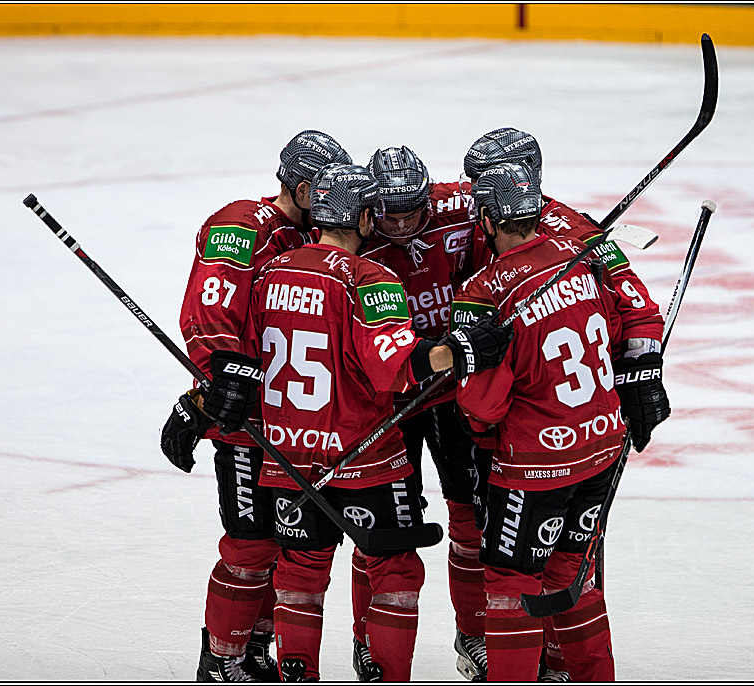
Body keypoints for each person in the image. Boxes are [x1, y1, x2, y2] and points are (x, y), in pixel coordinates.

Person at [197, 162, 514, 681]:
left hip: (286, 455)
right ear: (366, 216)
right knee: (396, 569)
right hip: (364, 454)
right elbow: (398, 365)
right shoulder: (372, 278)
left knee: (299, 571)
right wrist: (462, 349)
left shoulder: (271, 273)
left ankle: (292, 673)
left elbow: (242, 356)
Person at [461, 128, 669, 679]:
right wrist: (640, 379)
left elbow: (483, 403)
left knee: (512, 581)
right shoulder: (585, 248)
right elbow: (633, 310)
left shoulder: (484, 290)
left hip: (534, 459)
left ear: (487, 216)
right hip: (602, 441)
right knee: (573, 574)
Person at [158, 130, 353, 681]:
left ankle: (254, 650)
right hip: (247, 424)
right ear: (302, 184)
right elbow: (212, 310)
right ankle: (220, 660)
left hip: (299, 424)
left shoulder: (323, 236)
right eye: (327, 185)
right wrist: (217, 380)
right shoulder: (243, 226)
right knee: (250, 547)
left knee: (287, 549)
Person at [354, 145, 490, 681]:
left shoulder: (456, 204)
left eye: (414, 211)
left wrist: (582, 237)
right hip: (391, 399)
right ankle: (366, 641)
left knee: (471, 520)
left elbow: (526, 208)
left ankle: (474, 636)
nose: (406, 223)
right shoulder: (356, 234)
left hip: (454, 391)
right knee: (381, 531)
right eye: (392, 214)